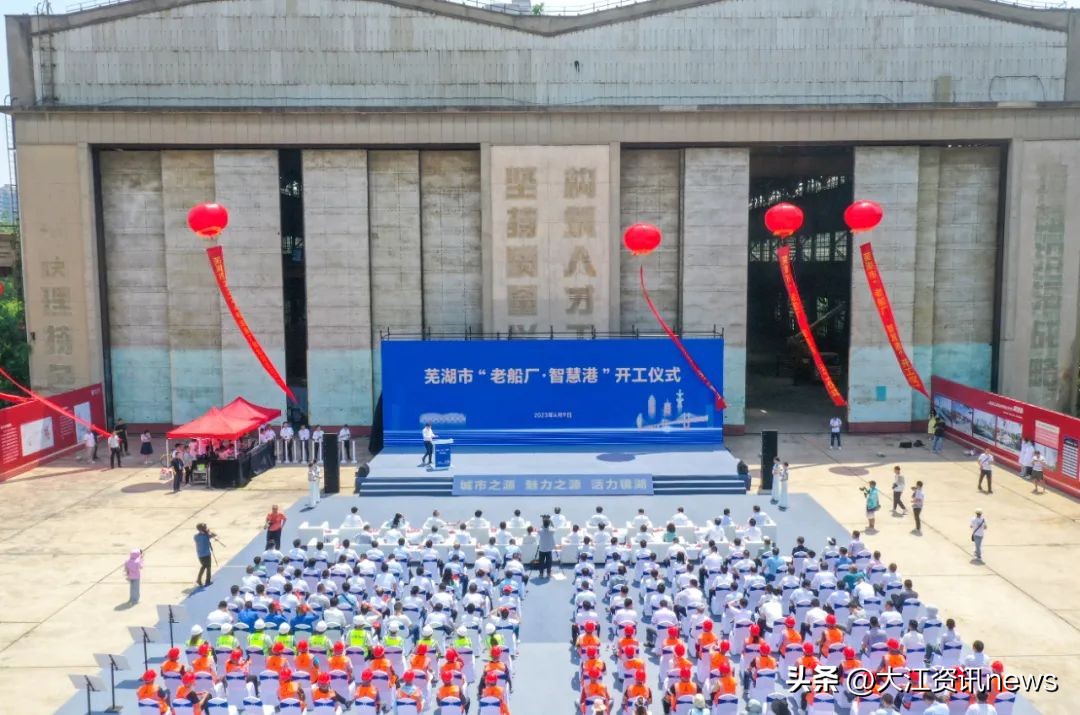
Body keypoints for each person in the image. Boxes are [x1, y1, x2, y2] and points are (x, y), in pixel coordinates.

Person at [537, 514, 555, 578]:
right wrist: (549, 521)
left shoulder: (540, 531)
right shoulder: (551, 531)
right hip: (548, 548)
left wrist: (543, 520)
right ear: (549, 524)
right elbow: (553, 527)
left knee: (541, 561)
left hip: (542, 548)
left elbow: (541, 527)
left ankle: (541, 573)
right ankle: (548, 573)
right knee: (549, 562)